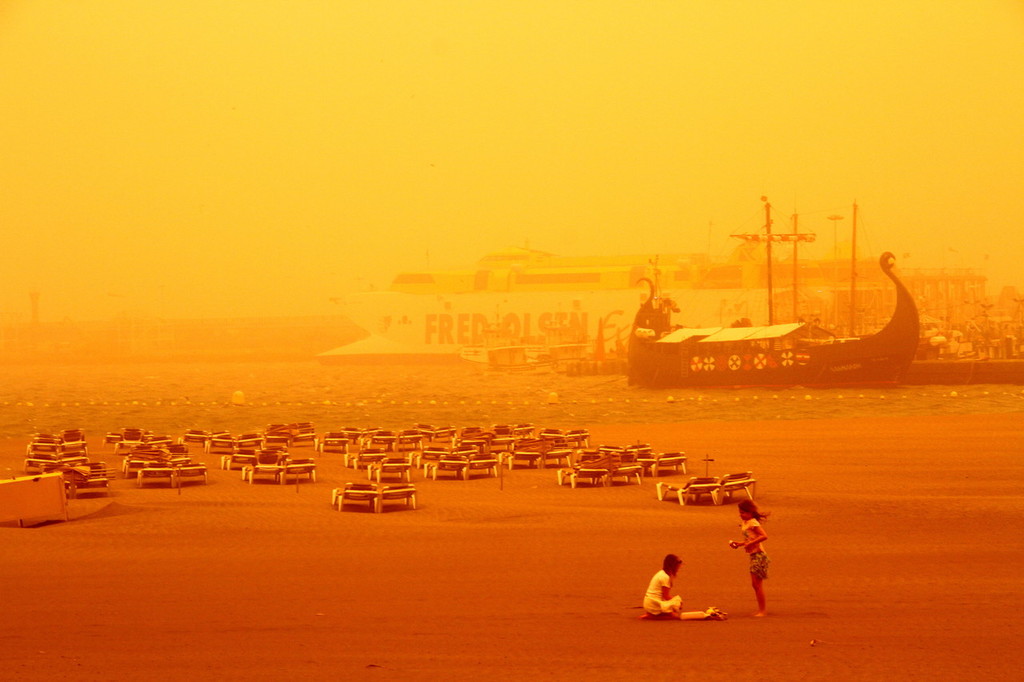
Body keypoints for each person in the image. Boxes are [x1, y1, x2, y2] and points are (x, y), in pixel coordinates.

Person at [643, 554, 726, 620]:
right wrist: (677, 604)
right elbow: (666, 596)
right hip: (653, 603)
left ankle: (652, 613)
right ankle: (653, 615)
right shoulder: (665, 577)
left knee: (674, 607)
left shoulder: (661, 573)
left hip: (649, 602)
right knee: (675, 615)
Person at [729, 499, 770, 617]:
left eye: (743, 512)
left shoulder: (753, 522)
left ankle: (762, 610)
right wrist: (740, 544)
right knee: (755, 584)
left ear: (750, 513)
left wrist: (750, 544)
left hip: (759, 555)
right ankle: (761, 609)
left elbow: (764, 536)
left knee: (757, 584)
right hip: (753, 555)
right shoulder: (746, 523)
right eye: (740, 512)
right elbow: (750, 539)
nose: (740, 515)